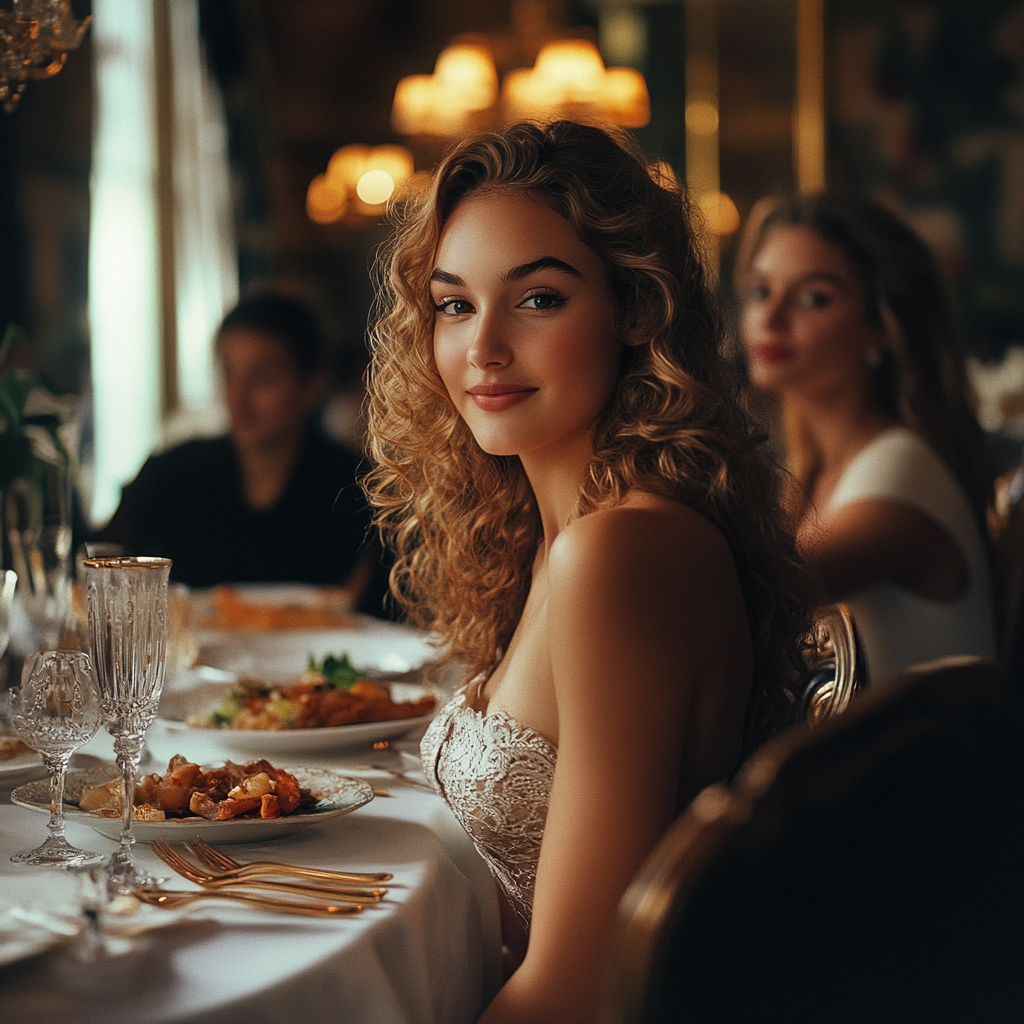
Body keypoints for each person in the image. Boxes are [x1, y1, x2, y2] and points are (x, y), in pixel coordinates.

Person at [363, 121, 811, 1023]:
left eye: (537, 300)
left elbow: (573, 989)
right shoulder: (554, 533)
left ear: (637, 308)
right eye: (455, 305)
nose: (483, 346)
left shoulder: (619, 554)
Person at [738, 193, 997, 684]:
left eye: (814, 297)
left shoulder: (900, 471)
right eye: (760, 291)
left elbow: (750, 596)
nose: (770, 319)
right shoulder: (820, 469)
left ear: (882, 325)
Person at [97, 292, 385, 609]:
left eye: (262, 379)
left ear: (312, 385)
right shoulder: (170, 474)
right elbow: (102, 571)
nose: (237, 398)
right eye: (228, 375)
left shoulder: (359, 489)